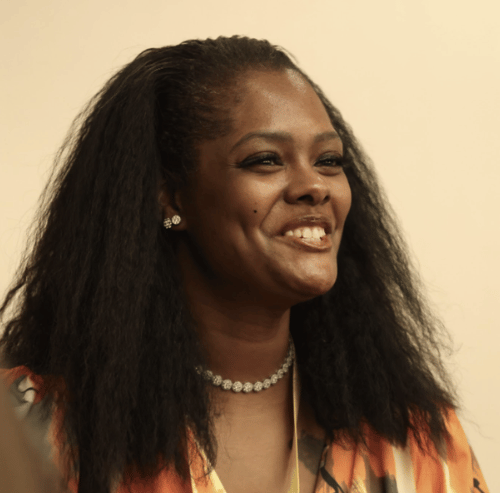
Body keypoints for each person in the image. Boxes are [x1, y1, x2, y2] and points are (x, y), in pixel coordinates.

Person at [0, 35, 490, 493]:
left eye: (328, 160)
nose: (314, 186)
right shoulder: (35, 429)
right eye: (265, 160)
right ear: (170, 196)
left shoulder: (419, 443)